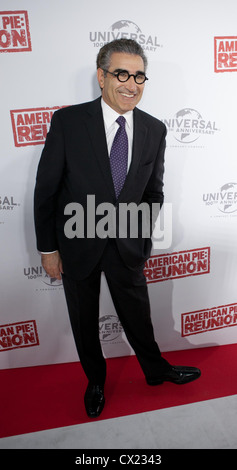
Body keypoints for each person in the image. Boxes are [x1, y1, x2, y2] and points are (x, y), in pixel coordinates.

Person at [34, 38, 201, 418]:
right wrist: (48, 248)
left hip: (128, 244)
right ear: (101, 76)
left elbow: (154, 191)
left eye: (140, 75)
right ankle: (95, 380)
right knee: (83, 318)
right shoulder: (69, 121)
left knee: (139, 314)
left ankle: (156, 370)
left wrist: (141, 236)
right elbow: (46, 190)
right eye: (122, 73)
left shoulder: (155, 129)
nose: (132, 84)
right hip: (77, 243)